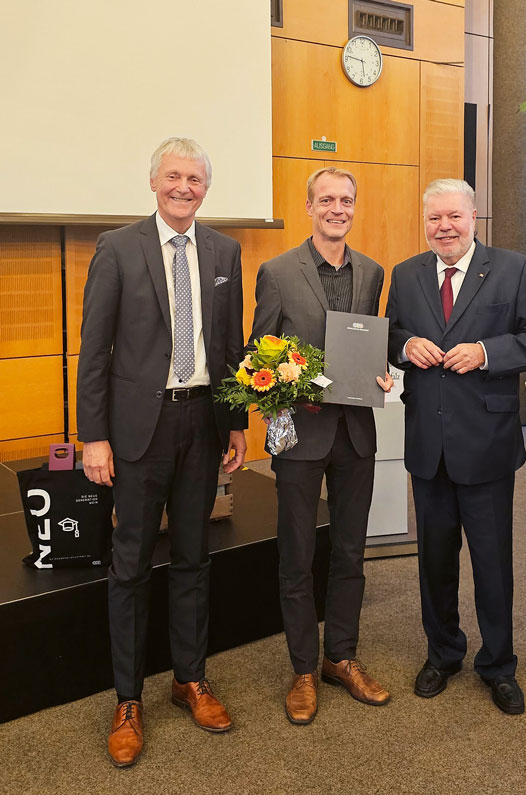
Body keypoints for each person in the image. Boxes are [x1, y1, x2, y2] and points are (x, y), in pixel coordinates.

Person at [77, 137, 247, 767]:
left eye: (195, 179)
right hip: (136, 433)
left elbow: (229, 348)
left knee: (195, 558)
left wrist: (235, 422)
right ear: (154, 183)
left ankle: (189, 679)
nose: (185, 187)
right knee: (129, 565)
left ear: (206, 187)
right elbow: (94, 351)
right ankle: (128, 699)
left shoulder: (225, 250)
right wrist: (93, 436)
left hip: (202, 424)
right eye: (174, 177)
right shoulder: (117, 248)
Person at [386, 178, 526, 715]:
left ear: (474, 216)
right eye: (435, 218)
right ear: (425, 222)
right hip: (428, 444)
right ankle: (443, 653)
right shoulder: (406, 274)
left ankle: (498, 664)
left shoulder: (512, 268)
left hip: (486, 442)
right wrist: (404, 345)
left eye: (454, 217)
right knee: (434, 559)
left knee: (491, 562)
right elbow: (388, 336)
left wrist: (484, 352)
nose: (445, 227)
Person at [250, 166, 392, 725]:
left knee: (352, 553)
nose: (338, 208)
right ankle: (303, 668)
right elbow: (259, 352)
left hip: (356, 432)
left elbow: (369, 344)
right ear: (309, 206)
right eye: (327, 200)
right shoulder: (277, 272)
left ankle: (343, 657)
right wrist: (282, 384)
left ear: (355, 207)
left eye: (347, 200)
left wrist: (380, 372)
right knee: (298, 556)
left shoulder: (373, 272)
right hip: (301, 435)